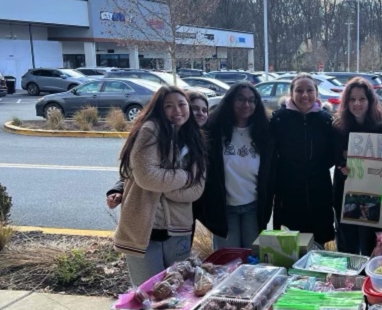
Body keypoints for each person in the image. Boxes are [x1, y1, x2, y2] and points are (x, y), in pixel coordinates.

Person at [113, 86, 207, 285]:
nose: (177, 111)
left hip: (179, 228)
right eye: (169, 106)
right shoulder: (150, 130)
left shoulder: (194, 137)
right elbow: (147, 177)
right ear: (159, 109)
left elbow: (196, 190)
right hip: (144, 228)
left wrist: (163, 189)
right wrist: (183, 176)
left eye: (182, 104)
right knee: (148, 294)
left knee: (179, 290)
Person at [194, 82, 273, 249]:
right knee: (227, 263)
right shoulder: (213, 131)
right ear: (230, 101)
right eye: (241, 99)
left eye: (252, 100)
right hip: (225, 209)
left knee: (252, 261)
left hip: (253, 207)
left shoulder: (265, 132)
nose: (247, 104)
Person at [106, 90, 210, 209]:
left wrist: (163, 187)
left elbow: (198, 183)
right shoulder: (158, 133)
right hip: (152, 211)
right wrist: (118, 189)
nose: (200, 113)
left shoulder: (203, 138)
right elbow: (136, 168)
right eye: (195, 108)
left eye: (204, 110)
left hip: (188, 211)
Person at [270, 73, 336, 246]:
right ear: (291, 93)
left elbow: (333, 153)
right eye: (299, 90)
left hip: (319, 191)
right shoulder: (278, 120)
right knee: (289, 245)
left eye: (309, 90)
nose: (304, 95)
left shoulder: (326, 121)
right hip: (289, 192)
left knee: (318, 243)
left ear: (316, 93)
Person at [332, 77, 382, 255]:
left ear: (370, 101)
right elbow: (330, 155)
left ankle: (369, 278)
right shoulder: (338, 126)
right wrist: (341, 163)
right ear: (346, 101)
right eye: (352, 99)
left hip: (373, 192)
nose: (357, 103)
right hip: (346, 190)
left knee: (370, 241)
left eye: (362, 99)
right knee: (348, 242)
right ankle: (348, 280)